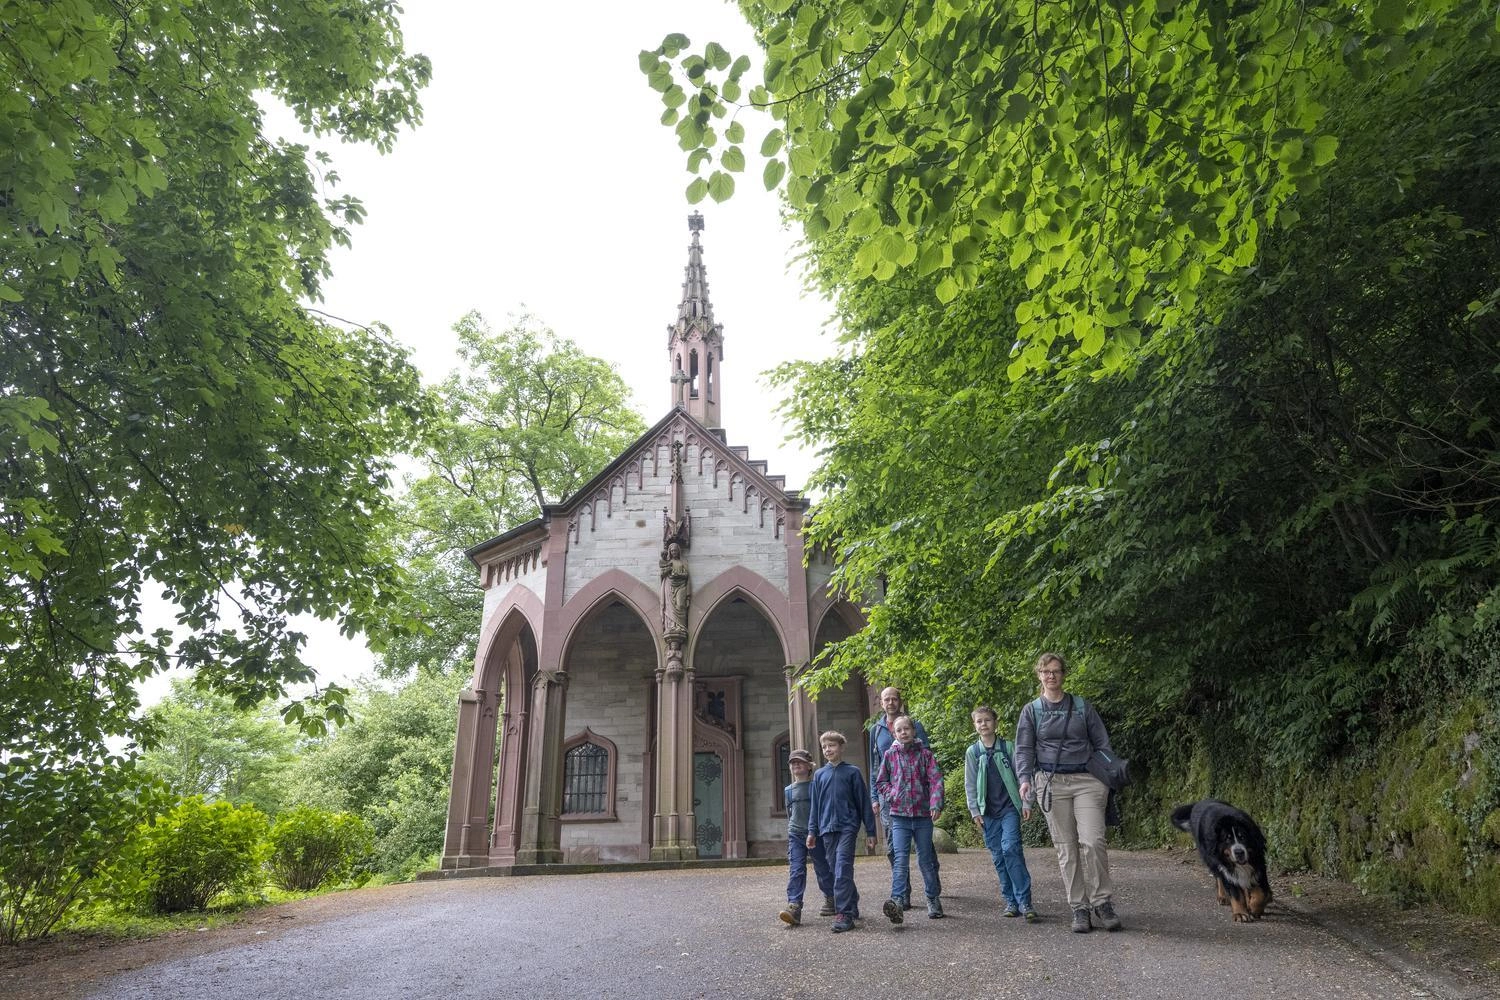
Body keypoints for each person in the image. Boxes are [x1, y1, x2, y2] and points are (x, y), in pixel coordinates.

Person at [1015, 652, 1121, 934]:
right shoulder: (1031, 711)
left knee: (1093, 841)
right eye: (1046, 671)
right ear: (1039, 675)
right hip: (1051, 783)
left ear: (1063, 674)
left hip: (1088, 780)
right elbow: (1023, 749)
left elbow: (1103, 744)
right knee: (1066, 847)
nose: (1051, 676)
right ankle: (1079, 907)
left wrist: (1107, 774)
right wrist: (1025, 779)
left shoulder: (1082, 707)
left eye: (1056, 671)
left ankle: (1102, 902)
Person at [964, 705, 1037, 922]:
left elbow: (1024, 776)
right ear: (974, 725)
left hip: (1009, 808)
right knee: (998, 856)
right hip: (987, 812)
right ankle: (1010, 901)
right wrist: (974, 810)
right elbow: (969, 784)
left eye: (987, 720)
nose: (983, 724)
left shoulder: (1008, 747)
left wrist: (1027, 803)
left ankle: (1025, 901)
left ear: (995, 722)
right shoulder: (973, 752)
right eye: (979, 721)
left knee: (1011, 849)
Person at [874, 715, 945, 921]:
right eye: (899, 730)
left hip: (923, 816)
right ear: (894, 734)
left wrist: (935, 803)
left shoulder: (925, 755)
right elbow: (881, 781)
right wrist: (892, 795)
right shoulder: (890, 755)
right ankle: (896, 900)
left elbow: (936, 780)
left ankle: (932, 898)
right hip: (899, 816)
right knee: (900, 859)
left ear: (914, 731)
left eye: (907, 729)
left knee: (925, 859)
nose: (903, 732)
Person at [807, 730, 878, 933]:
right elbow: (815, 807)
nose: (828, 749)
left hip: (848, 826)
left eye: (832, 745)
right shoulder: (819, 775)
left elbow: (864, 804)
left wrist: (871, 832)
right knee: (835, 868)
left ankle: (844, 914)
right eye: (824, 747)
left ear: (841, 747)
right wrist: (812, 832)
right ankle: (852, 902)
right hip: (827, 829)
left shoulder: (852, 772)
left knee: (843, 868)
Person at [868, 685, 928, 908]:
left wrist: (932, 797)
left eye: (894, 698)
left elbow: (927, 759)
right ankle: (903, 894)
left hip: (917, 796)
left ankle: (933, 888)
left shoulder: (914, 725)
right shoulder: (877, 730)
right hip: (890, 798)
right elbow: (875, 765)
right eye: (886, 699)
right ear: (881, 703)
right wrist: (875, 796)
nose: (891, 702)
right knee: (894, 848)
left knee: (925, 849)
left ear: (900, 701)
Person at [779, 748, 834, 926]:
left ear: (809, 766)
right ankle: (794, 907)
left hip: (816, 834)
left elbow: (822, 810)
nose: (796, 765)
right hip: (795, 834)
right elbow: (790, 812)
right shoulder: (788, 790)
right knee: (796, 869)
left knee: (822, 867)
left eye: (800, 762)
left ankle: (831, 898)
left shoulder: (815, 786)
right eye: (793, 762)